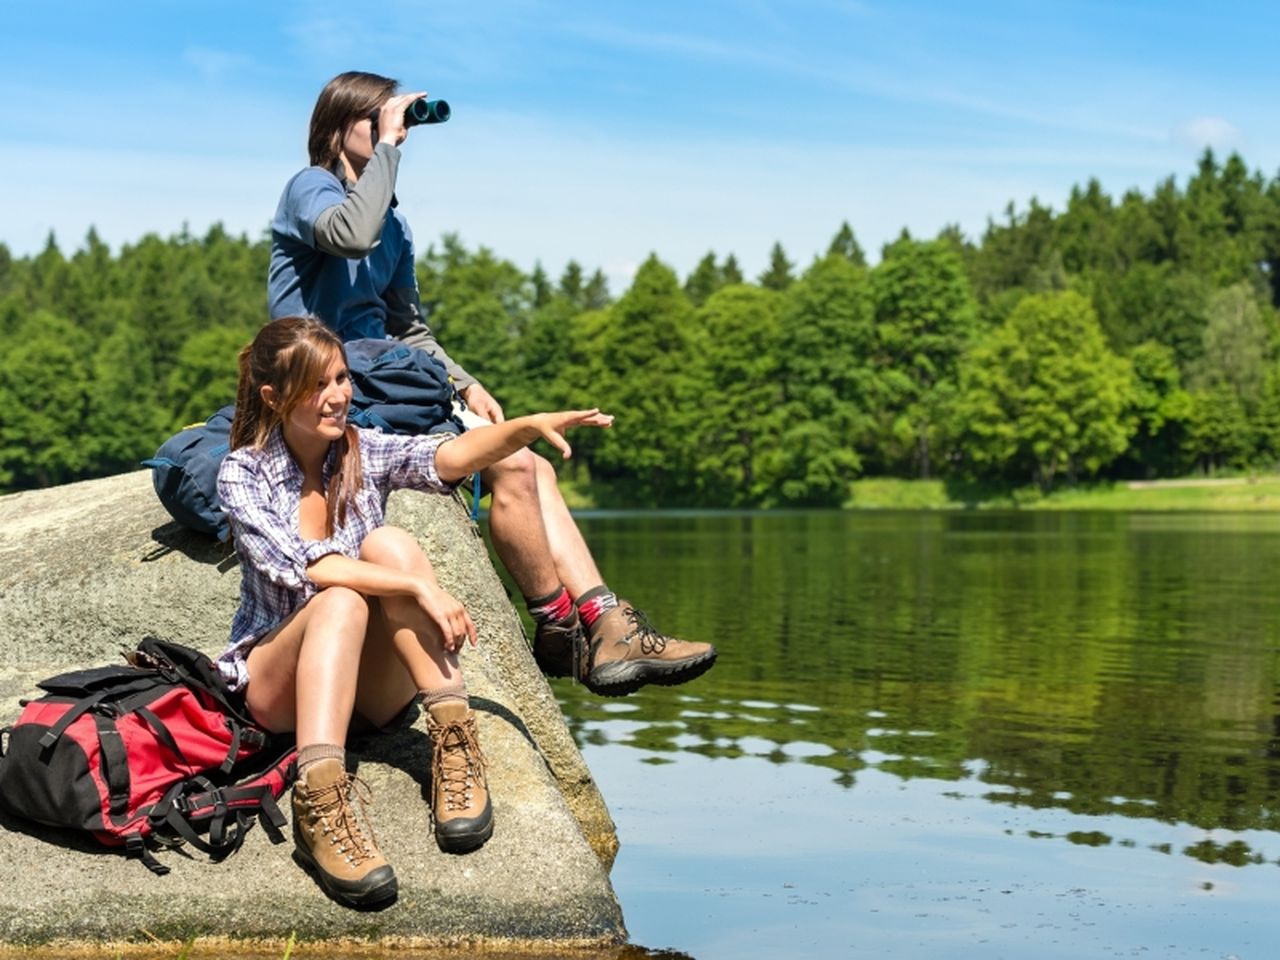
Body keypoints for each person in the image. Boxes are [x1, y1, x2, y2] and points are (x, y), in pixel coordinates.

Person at [267, 70, 717, 696]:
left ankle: (603, 620)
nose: (394, 132)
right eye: (380, 121)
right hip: (325, 391)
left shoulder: (393, 227)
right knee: (512, 466)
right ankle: (561, 624)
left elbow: (409, 327)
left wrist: (464, 385)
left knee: (532, 464)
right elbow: (350, 235)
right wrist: (391, 151)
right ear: (339, 126)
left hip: (388, 386)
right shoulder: (309, 189)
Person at [217, 315, 614, 908]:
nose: (339, 396)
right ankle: (321, 798)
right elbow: (309, 568)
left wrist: (523, 428)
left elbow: (448, 457)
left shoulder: (360, 449)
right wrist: (419, 589)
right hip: (284, 694)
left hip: (371, 696)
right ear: (273, 395)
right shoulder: (242, 473)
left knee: (389, 544)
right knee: (342, 597)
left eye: (343, 378)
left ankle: (454, 740)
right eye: (317, 384)